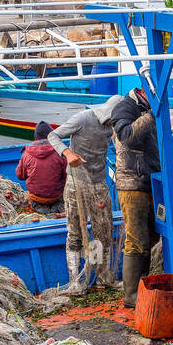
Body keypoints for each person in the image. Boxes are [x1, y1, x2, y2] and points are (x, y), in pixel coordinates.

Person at [48, 95, 123, 294]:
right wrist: (68, 153)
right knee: (75, 233)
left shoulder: (114, 127)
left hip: (98, 182)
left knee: (103, 232)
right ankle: (74, 281)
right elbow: (52, 136)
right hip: (76, 183)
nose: (111, 124)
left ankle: (103, 278)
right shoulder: (82, 119)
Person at [111, 80, 162, 307]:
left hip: (150, 182)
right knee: (135, 240)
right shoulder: (125, 106)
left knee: (150, 237)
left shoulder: (143, 108)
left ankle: (143, 284)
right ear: (144, 92)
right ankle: (131, 295)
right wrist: (153, 115)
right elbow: (127, 136)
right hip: (132, 183)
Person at [15, 121, 66, 213]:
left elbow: (20, 176)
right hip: (57, 197)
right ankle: (56, 209)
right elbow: (67, 176)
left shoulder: (26, 154)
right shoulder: (61, 151)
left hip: (37, 199)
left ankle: (42, 209)